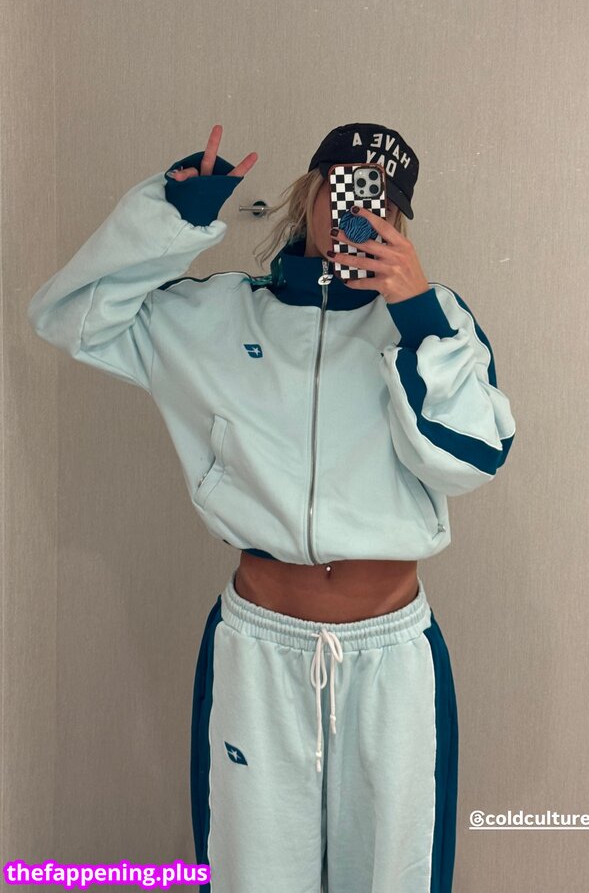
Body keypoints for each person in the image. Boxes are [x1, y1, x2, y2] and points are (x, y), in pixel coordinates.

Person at [27, 121, 517, 893]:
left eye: (382, 200)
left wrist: (418, 314)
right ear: (310, 192)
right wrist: (175, 216)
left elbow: (470, 458)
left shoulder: (434, 322)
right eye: (344, 186)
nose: (359, 211)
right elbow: (69, 317)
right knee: (250, 876)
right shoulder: (219, 316)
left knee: (394, 876)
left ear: (400, 218)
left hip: (390, 660)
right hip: (259, 651)